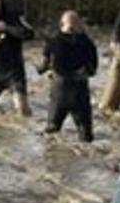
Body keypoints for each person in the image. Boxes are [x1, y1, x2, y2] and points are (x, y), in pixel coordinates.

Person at [37, 10, 98, 142]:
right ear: (80, 26)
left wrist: (41, 69)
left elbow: (43, 67)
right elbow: (93, 70)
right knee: (86, 136)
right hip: (80, 92)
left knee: (51, 133)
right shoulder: (88, 44)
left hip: (60, 92)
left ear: (61, 25)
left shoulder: (53, 42)